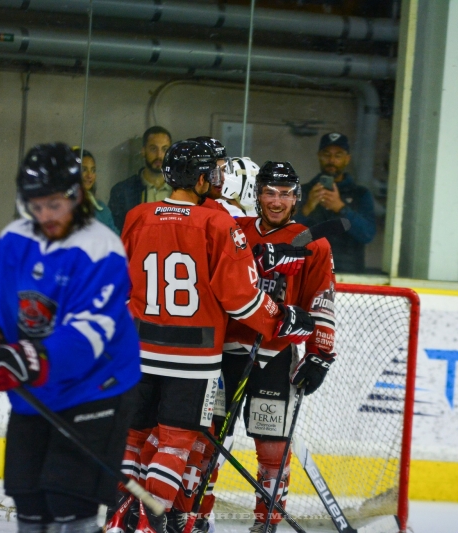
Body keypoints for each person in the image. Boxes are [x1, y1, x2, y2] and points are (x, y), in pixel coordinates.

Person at [118, 140, 315, 533]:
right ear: (202, 176)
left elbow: (121, 284)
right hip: (193, 356)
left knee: (134, 440)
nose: (223, 178)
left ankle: (119, 516)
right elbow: (242, 300)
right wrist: (283, 319)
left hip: (139, 349)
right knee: (175, 444)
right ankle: (147, 524)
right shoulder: (217, 224)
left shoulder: (137, 215)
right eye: (218, 170)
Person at [0, 143, 142, 533]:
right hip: (38, 387)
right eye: (35, 204)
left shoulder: (102, 247)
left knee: (68, 504)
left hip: (97, 387)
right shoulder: (14, 238)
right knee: (28, 499)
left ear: (76, 196)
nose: (44, 215)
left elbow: (88, 333)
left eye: (54, 204)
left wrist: (22, 359)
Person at [222, 161, 337, 533]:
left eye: (285, 193)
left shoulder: (313, 242)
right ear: (257, 194)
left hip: (276, 353)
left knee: (272, 447)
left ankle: (266, 522)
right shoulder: (236, 231)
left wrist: (320, 354)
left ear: (296, 198)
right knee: (207, 441)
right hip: (224, 352)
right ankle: (191, 515)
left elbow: (322, 298)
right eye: (270, 192)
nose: (276, 201)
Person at [296, 132, 375, 273]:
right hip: (308, 272)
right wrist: (307, 209)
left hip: (349, 276)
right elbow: (286, 236)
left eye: (338, 155)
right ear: (319, 156)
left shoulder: (361, 194)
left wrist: (341, 208)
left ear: (347, 159)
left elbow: (367, 235)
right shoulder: (303, 191)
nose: (331, 160)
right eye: (326, 154)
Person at [109, 126, 173, 233]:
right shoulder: (123, 191)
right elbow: (116, 234)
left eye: (165, 149)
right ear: (143, 151)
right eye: (153, 149)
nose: (159, 155)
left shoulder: (182, 191)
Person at [73, 146, 117, 233]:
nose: (89, 175)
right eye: (84, 169)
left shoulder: (102, 210)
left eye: (93, 170)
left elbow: (114, 240)